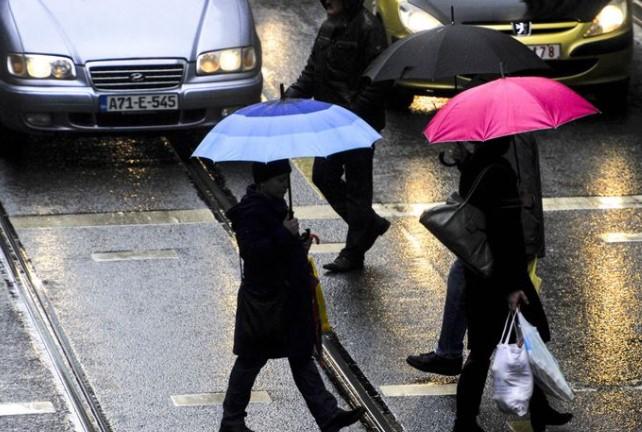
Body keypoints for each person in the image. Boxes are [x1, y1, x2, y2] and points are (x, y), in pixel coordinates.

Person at [220, 159, 364, 432]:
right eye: (278, 180)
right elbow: (253, 253)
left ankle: (327, 413)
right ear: (263, 182)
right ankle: (232, 420)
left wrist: (299, 244)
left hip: (285, 297)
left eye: (286, 179)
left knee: (300, 355)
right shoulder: (251, 211)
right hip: (266, 300)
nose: (284, 186)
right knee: (251, 359)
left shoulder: (275, 205)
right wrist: (284, 235)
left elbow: (280, 251)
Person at [442, 137, 571, 432]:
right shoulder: (499, 172)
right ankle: (465, 422)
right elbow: (505, 234)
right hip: (504, 275)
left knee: (517, 339)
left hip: (483, 273)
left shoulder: (473, 167)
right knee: (506, 343)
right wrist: (513, 286)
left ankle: (536, 409)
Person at [407, 133, 546, 376]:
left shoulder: (503, 153)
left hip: (504, 238)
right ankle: (451, 353)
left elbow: (511, 195)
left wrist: (469, 161)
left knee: (497, 328)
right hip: (504, 236)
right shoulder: (506, 142)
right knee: (508, 322)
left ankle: (452, 359)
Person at [285, 0, 390, 273]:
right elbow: (312, 71)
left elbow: (379, 81)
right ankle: (368, 224)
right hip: (330, 121)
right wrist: (290, 97)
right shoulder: (328, 26)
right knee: (323, 175)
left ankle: (354, 252)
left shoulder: (369, 28)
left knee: (358, 188)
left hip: (357, 123)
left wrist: (353, 113)